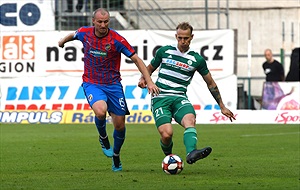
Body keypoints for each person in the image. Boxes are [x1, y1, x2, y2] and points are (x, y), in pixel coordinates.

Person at [58, 8, 159, 172]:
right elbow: (73, 35)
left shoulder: (116, 39)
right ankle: (103, 138)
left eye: (106, 22)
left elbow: (136, 59)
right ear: (93, 21)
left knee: (119, 126)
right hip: (92, 83)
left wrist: (149, 81)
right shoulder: (85, 33)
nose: (103, 25)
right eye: (100, 22)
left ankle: (116, 156)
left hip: (113, 86)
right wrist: (62, 41)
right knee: (100, 111)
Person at [138, 22, 235, 164]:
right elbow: (149, 68)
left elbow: (211, 84)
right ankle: (170, 157)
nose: (182, 41)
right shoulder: (164, 51)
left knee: (190, 120)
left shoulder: (197, 60)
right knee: (166, 134)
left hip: (179, 98)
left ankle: (192, 152)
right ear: (176, 36)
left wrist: (222, 106)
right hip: (160, 97)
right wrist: (143, 79)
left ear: (192, 37)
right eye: (180, 38)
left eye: (186, 38)